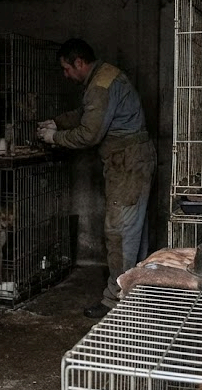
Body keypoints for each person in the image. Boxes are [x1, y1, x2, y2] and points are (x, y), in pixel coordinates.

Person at [37, 38, 156, 319]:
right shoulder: (103, 77)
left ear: (79, 63)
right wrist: (57, 121)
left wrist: (54, 137)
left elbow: (90, 133)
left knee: (120, 234)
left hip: (127, 163)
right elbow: (87, 114)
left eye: (66, 69)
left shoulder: (100, 86)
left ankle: (116, 300)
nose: (66, 75)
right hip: (133, 160)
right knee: (134, 234)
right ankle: (136, 294)